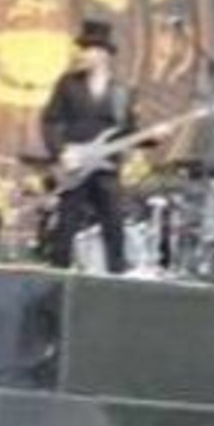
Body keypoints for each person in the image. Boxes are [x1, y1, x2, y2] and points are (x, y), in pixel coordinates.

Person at [40, 20, 135, 274]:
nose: (82, 54)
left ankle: (117, 275)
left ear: (103, 54)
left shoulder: (121, 92)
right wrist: (61, 152)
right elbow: (50, 121)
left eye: (88, 49)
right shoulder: (68, 84)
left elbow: (129, 131)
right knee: (66, 226)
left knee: (114, 224)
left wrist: (153, 137)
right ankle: (57, 276)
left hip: (106, 169)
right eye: (82, 49)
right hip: (76, 165)